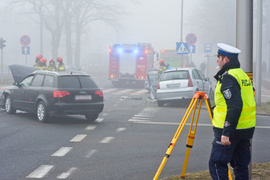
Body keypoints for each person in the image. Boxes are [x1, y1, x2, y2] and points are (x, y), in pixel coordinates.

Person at [209, 43, 256, 180]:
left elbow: (235, 106)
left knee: (217, 163)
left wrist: (226, 132)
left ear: (226, 59)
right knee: (241, 166)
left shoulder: (229, 77)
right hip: (245, 130)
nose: (217, 60)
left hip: (230, 131)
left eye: (219, 57)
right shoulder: (243, 75)